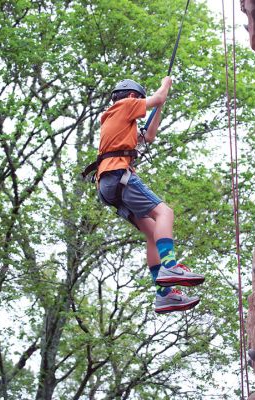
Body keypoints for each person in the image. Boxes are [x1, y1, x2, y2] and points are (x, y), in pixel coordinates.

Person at [97, 77, 205, 314]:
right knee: (165, 212)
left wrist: (160, 107)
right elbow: (157, 97)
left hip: (108, 184)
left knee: (152, 231)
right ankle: (170, 266)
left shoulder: (118, 121)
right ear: (133, 97)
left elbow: (149, 136)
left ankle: (164, 294)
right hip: (118, 174)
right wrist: (166, 85)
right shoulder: (124, 106)